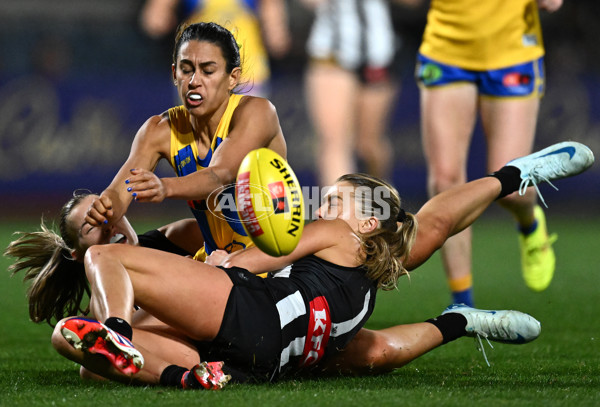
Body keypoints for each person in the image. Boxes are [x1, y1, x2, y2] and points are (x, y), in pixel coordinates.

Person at [6, 141, 592, 387]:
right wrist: (509, 177)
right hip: (261, 358)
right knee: (82, 355)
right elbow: (431, 228)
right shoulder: (365, 272)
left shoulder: (337, 233)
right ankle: (187, 379)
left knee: (108, 260)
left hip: (250, 320)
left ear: (366, 218)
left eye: (337, 196)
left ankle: (116, 327)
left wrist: (226, 253)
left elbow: (257, 257)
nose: (323, 199)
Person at [84, 22, 286, 262]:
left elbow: (219, 175)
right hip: (216, 261)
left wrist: (165, 187)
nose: (194, 81)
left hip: (273, 267)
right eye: (186, 69)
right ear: (174, 74)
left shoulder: (258, 112)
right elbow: (120, 192)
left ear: (232, 78)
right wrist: (105, 209)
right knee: (111, 261)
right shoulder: (158, 130)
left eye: (208, 71)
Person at [415, 0, 564, 306]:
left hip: (513, 51)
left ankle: (530, 224)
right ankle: (463, 303)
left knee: (512, 187)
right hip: (445, 50)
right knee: (445, 182)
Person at [302, 0, 419, 185]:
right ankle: (340, 211)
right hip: (331, 52)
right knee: (334, 143)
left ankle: (382, 202)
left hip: (378, 55)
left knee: (369, 144)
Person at [139, 0, 291, 97]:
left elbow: (275, 28)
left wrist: (276, 31)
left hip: (247, 71)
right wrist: (158, 17)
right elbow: (154, 19)